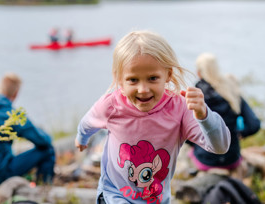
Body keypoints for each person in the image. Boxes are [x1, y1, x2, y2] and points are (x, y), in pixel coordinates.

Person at [75, 30, 231, 204]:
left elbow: (220, 147)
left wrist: (204, 115)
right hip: (114, 196)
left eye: (152, 78)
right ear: (120, 79)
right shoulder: (111, 105)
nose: (143, 89)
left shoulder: (179, 108)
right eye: (133, 80)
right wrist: (82, 138)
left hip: (156, 199)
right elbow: (87, 123)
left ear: (168, 75)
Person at [187, 53, 261, 179]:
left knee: (189, 152)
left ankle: (193, 173)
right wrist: (238, 133)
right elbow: (254, 124)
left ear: (199, 73)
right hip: (231, 159)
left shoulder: (196, 95)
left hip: (206, 160)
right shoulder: (232, 92)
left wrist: (196, 143)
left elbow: (187, 131)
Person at [0, 73, 55, 186]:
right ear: (16, 93)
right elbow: (43, 140)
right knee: (48, 150)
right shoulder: (12, 115)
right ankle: (43, 189)